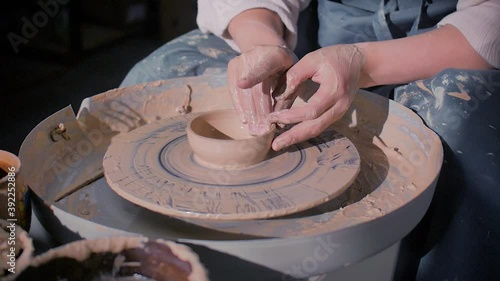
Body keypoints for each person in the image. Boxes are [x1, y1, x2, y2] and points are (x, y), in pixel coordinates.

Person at [121, 0, 499, 280]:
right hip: (310, 38)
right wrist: (262, 41)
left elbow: (489, 25)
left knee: (470, 145)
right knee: (162, 74)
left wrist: (362, 64)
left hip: (441, 49)